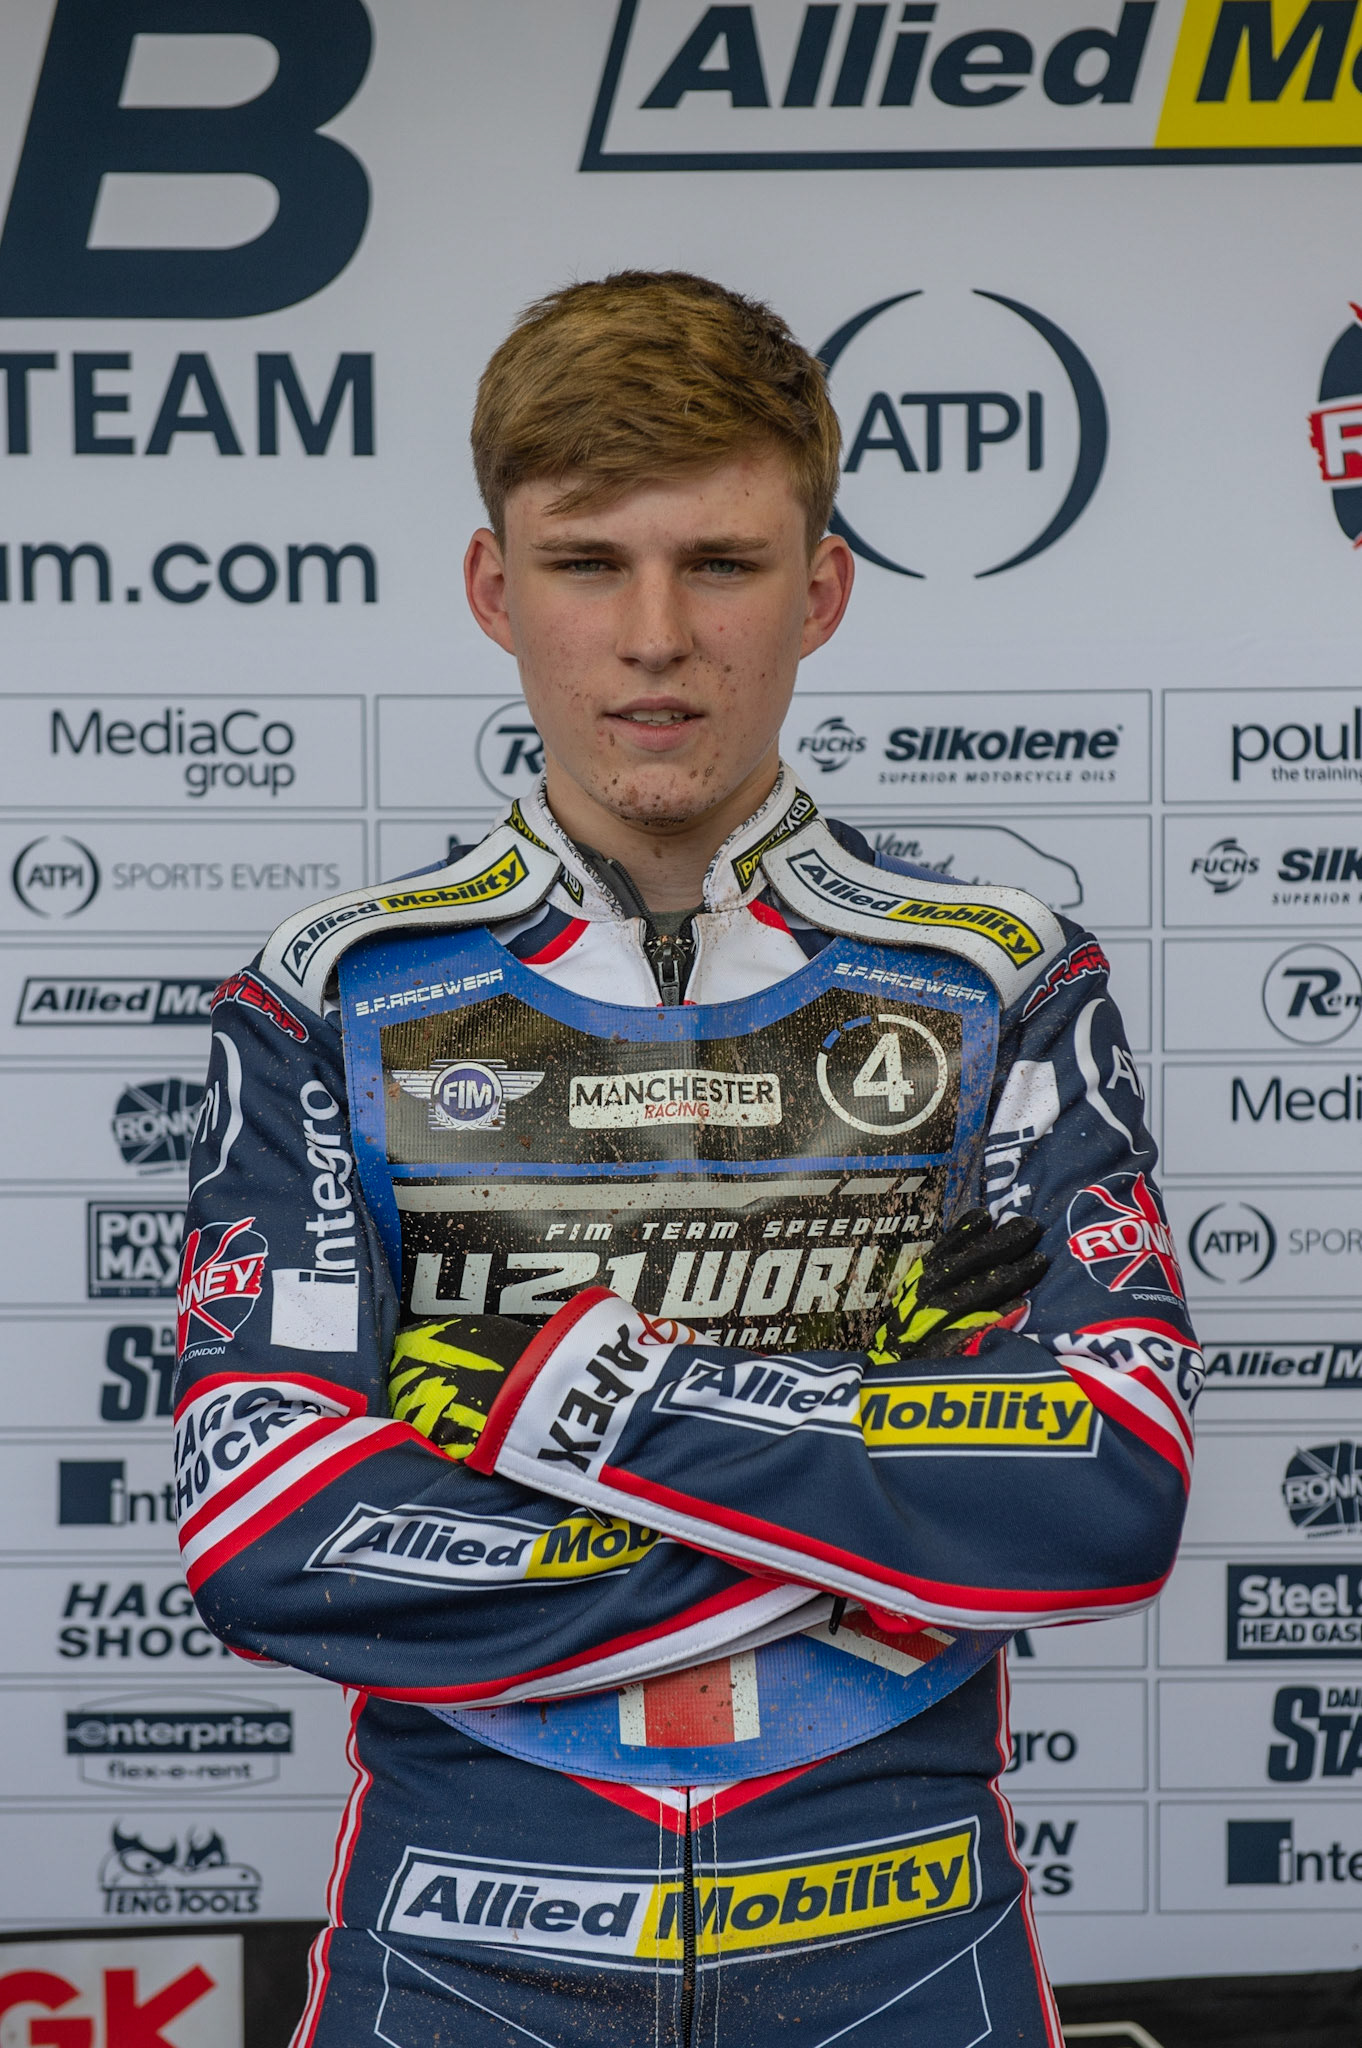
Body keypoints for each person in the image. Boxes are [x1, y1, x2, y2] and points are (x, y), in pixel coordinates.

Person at [175, 272, 1200, 2048]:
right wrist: (871, 1440)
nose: (654, 636)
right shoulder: (332, 993)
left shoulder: (997, 977)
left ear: (818, 592)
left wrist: (561, 1400)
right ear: (499, 589)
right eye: (590, 564)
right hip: (462, 1932)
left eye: (718, 565)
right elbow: (272, 1531)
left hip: (898, 1929)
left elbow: (1102, 1494)